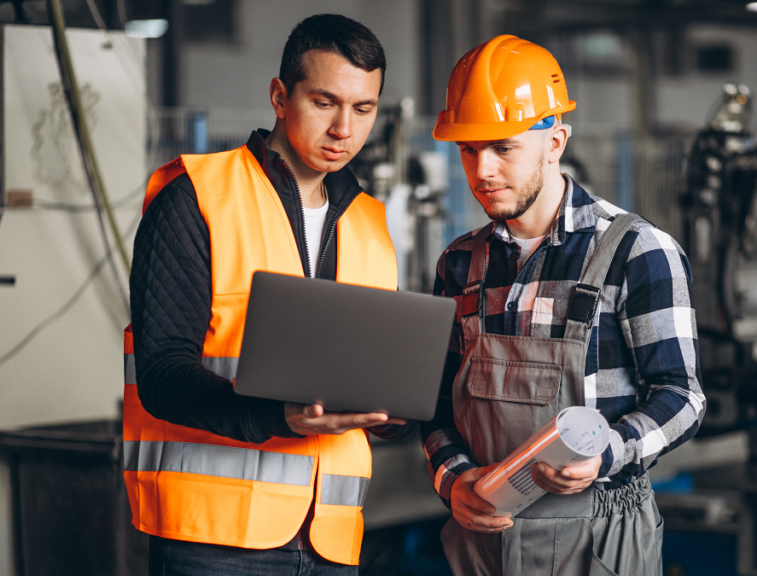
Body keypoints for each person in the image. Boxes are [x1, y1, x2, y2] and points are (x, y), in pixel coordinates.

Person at [125, 14, 407, 575]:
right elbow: (161, 374)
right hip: (212, 539)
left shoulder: (370, 224)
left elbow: (374, 371)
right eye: (325, 102)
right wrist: (277, 416)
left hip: (330, 537)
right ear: (280, 97)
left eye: (363, 109)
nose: (344, 130)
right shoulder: (196, 198)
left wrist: (392, 410)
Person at [421, 35, 705, 575]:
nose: (481, 170)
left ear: (555, 141)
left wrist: (607, 454)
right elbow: (436, 405)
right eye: (467, 148)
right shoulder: (459, 265)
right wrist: (453, 479)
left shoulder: (635, 251)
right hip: (483, 542)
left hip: (599, 540)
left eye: (503, 148)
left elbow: (682, 397)